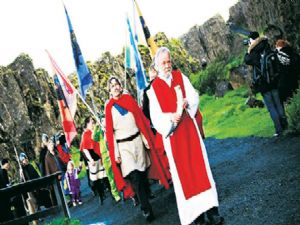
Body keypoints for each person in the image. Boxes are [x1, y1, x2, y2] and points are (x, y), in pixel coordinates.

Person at [147, 47, 224, 225]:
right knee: (184, 177)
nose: (167, 66)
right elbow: (156, 117)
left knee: (200, 169)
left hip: (190, 132)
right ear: (157, 66)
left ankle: (212, 212)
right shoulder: (153, 90)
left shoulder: (181, 77)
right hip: (174, 137)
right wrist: (170, 118)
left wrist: (188, 102)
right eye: (163, 63)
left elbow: (194, 96)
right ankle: (196, 217)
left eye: (169, 62)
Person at [105, 76, 170, 222]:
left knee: (141, 174)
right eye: (112, 86)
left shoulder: (129, 100)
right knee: (134, 176)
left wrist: (146, 139)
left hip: (137, 142)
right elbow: (110, 133)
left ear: (121, 86)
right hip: (123, 147)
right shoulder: (109, 108)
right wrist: (115, 152)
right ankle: (146, 209)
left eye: (117, 84)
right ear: (109, 90)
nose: (115, 87)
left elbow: (140, 121)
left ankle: (145, 196)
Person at [244, 32, 287, 136]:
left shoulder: (253, 53)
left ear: (251, 40)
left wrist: (249, 49)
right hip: (274, 82)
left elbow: (246, 60)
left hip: (263, 85)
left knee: (271, 107)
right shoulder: (267, 46)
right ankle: (285, 126)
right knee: (279, 104)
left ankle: (279, 130)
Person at [80, 116, 105, 205]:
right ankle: (100, 196)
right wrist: (90, 159)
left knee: (103, 176)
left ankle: (108, 192)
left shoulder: (96, 131)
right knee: (96, 179)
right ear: (87, 124)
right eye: (91, 123)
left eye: (93, 122)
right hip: (92, 159)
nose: (93, 124)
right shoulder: (85, 134)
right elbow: (84, 149)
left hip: (100, 155)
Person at [275, 39, 300, 103]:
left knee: (288, 101)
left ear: (278, 47)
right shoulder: (294, 53)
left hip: (284, 82)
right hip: (295, 80)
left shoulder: (278, 55)